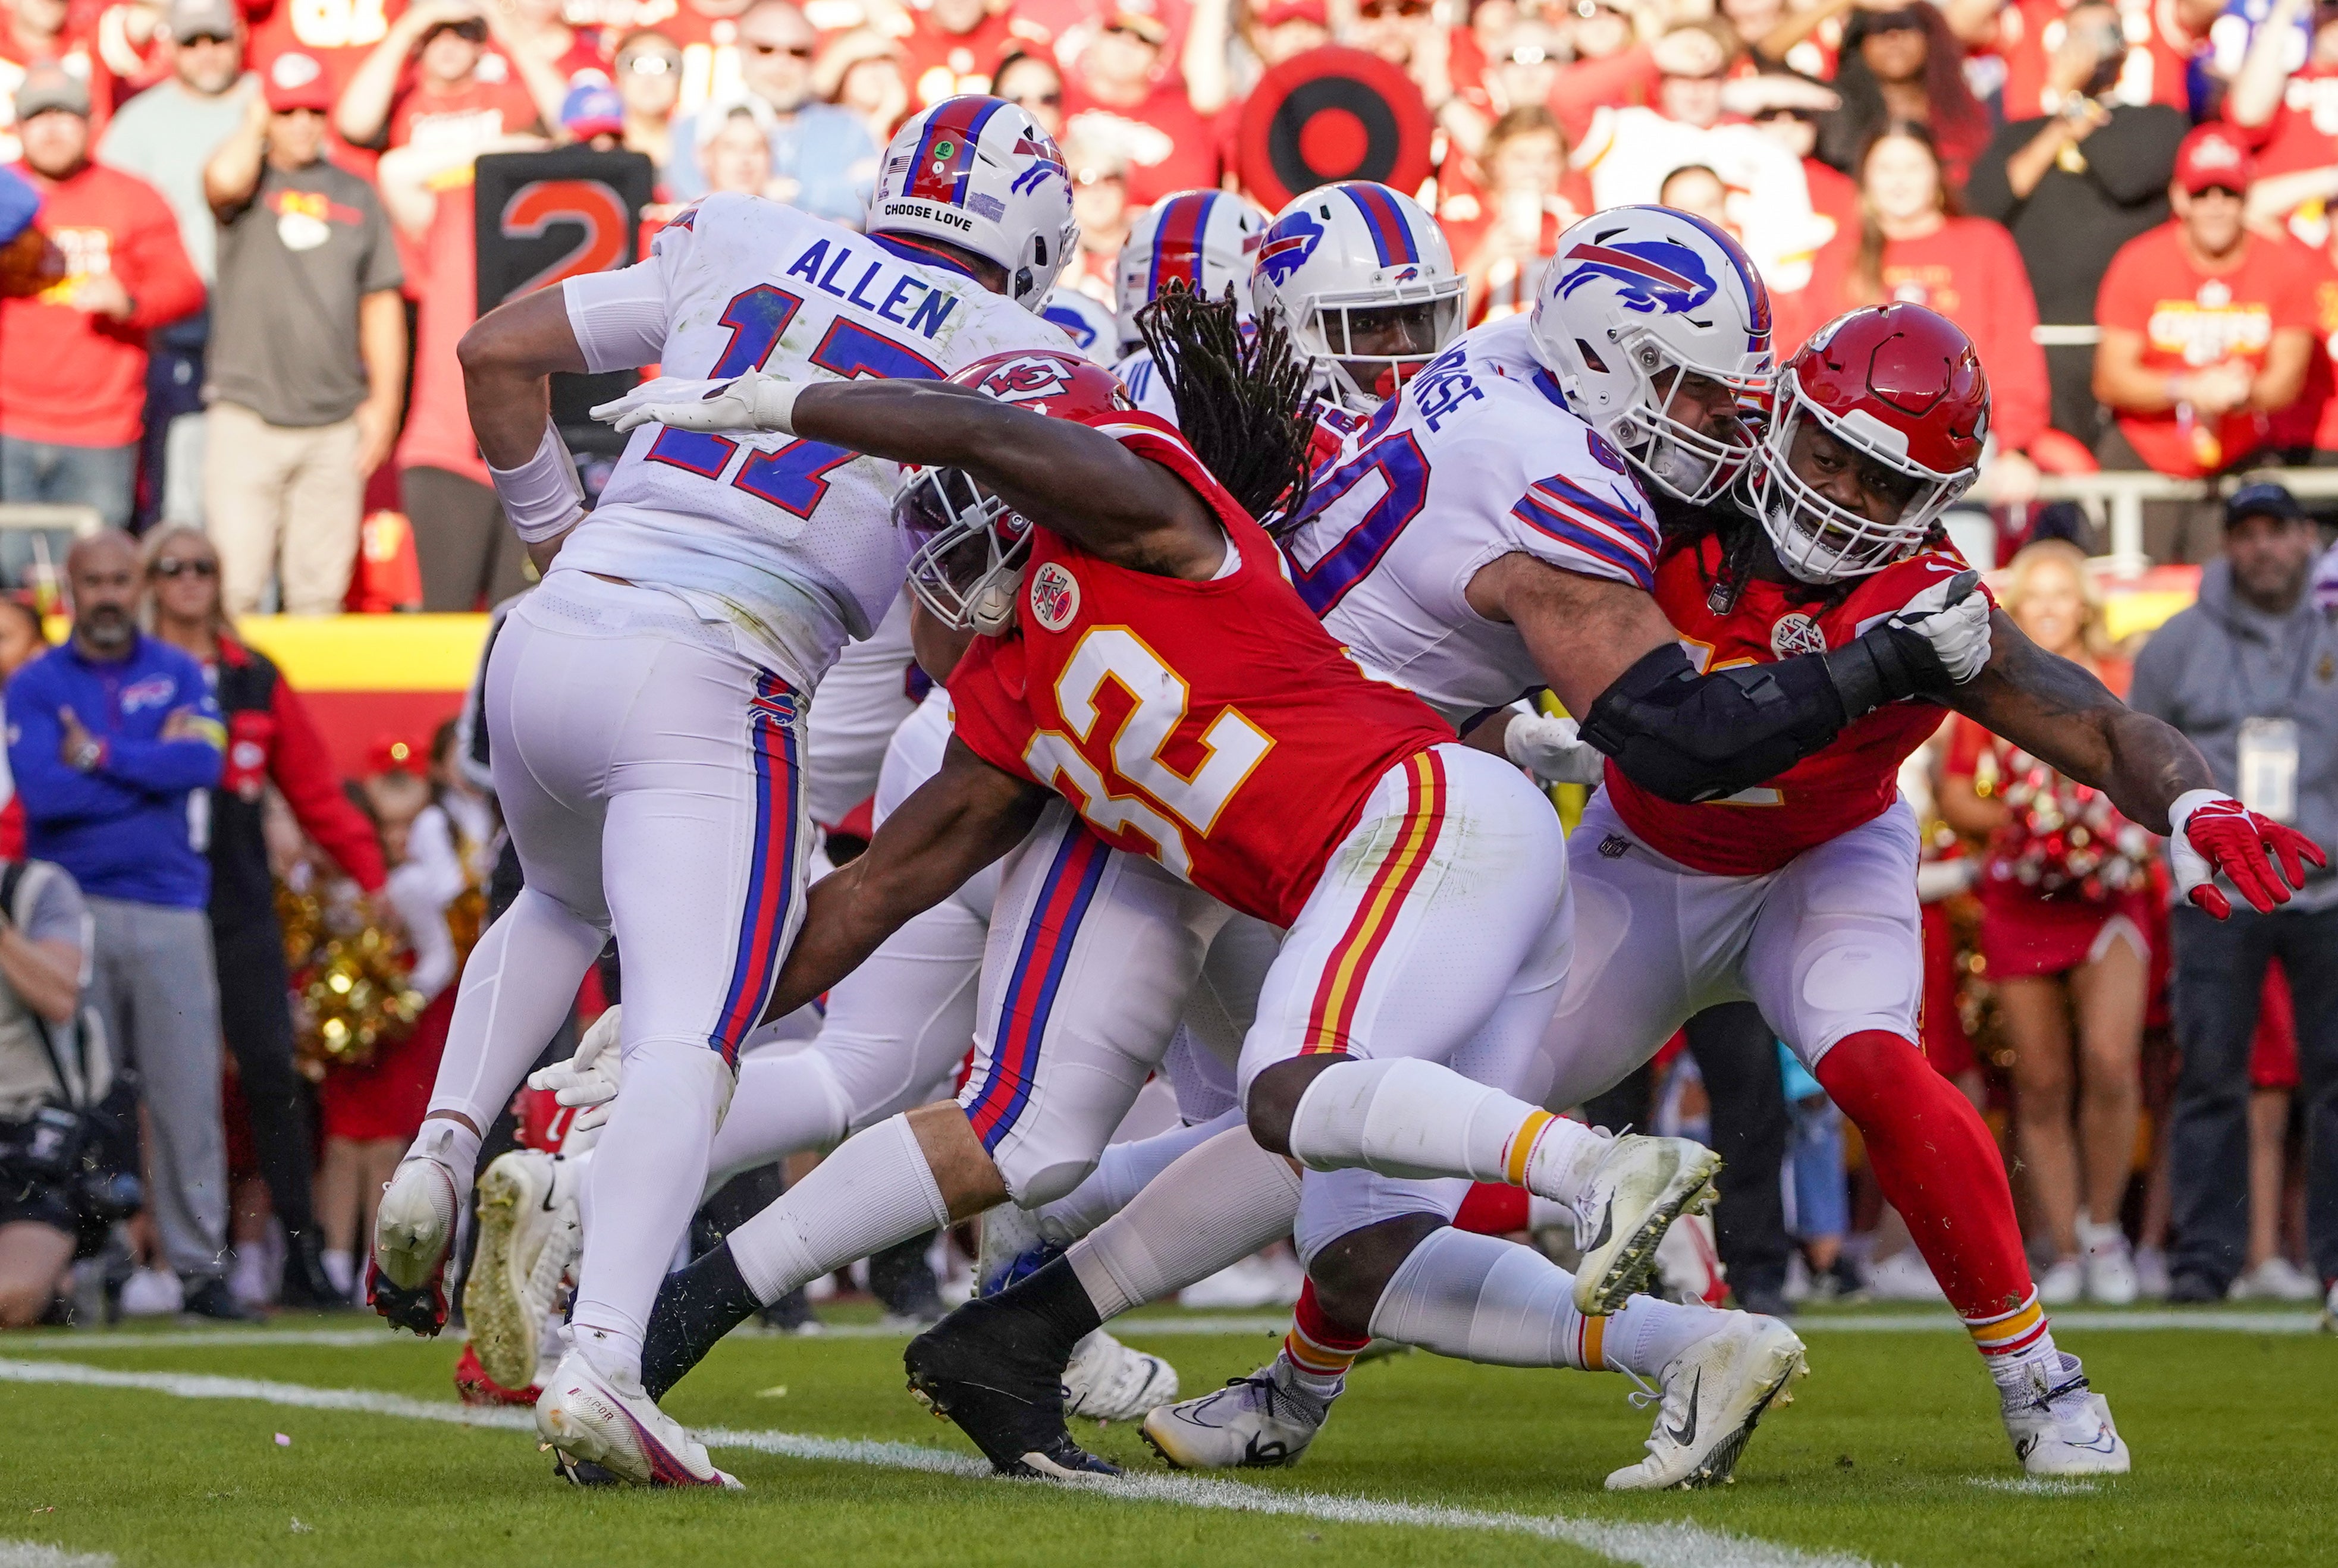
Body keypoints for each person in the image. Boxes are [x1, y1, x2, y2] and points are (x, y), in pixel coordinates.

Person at [590, 208, 1995, 1488]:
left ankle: (1579, 1188)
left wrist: (806, 402)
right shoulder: (1015, 692)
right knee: (1106, 1140)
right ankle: (781, 1320)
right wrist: (683, 1017)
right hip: (1281, 831)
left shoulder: (1162, 520)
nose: (965, 572)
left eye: (992, 527)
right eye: (955, 552)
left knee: (1312, 1127)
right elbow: (876, 887)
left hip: (1388, 816)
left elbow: (1018, 448)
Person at [364, 94, 1084, 1490]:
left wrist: (560, 544)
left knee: (559, 897)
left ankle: (441, 1149)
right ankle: (610, 1360)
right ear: (1039, 237)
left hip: (555, 626)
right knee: (697, 1028)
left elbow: (493, 351)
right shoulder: (1022, 351)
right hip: (719, 663)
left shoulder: (749, 238)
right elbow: (947, 625)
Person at [142, 524, 386, 1308]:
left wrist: (370, 876)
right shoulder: (128, 676)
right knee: (154, 1083)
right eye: (172, 568)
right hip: (150, 897)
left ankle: (302, 1255)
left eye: (202, 567)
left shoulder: (255, 677)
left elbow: (315, 791)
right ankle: (144, 1255)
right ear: (150, 582)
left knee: (272, 1074)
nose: (188, 580)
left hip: (240, 902)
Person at [4, 532, 241, 1318]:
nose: (107, 593)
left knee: (187, 1094)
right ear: (69, 590)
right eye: (92, 581)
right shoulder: (35, 682)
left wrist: (97, 752)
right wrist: (144, 762)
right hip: (73, 912)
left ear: (138, 586)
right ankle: (90, 1265)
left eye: (119, 579)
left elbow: (203, 766)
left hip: (172, 902)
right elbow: (44, 793)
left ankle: (201, 1269)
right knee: (83, 1098)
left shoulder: (179, 670)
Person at [2129, 480, 2338, 1311]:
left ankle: (2331, 1261)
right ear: (2225, 544)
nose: (2261, 547)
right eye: (2244, 532)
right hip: (2216, 897)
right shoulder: (2175, 643)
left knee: (2335, 1080)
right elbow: (2135, 761)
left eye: (2275, 531)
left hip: (2327, 891)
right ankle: (2201, 1262)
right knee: (2208, 1076)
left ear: (2303, 540)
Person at [1939, 540, 2149, 1306]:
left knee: (2109, 1061)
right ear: (2017, 610)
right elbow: (1958, 799)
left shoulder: (2121, 681)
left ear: (2085, 606)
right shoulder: (1985, 690)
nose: (2053, 609)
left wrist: (2093, 828)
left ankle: (2105, 1232)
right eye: (2038, 597)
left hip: (2106, 900)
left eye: (2066, 595)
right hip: (2021, 899)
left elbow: (2149, 776)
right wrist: (2032, 824)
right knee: (2041, 1079)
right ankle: (2060, 1248)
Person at [200, 72, 406, 616]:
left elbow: (381, 303)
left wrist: (384, 405)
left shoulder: (355, 193)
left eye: (313, 112)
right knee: (234, 591)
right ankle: (237, 702)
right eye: (287, 111)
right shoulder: (248, 185)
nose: (301, 124)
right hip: (248, 413)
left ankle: (303, 706)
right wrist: (252, 121)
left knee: (319, 597)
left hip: (333, 423)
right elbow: (221, 179)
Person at [1965, 0, 2185, 452]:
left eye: (2101, 35)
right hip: (2041, 346)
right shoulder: (2021, 132)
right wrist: (2061, 117)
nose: (2086, 50)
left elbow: (2126, 178)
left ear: (2124, 49)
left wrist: (2073, 103)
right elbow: (1988, 203)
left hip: (2127, 349)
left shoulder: (2156, 122)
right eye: (2074, 38)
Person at [2092, 124, 2318, 564]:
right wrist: (2187, 389)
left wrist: (2242, 392)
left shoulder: (2285, 267)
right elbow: (2109, 378)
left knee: (2235, 592)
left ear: (2247, 198)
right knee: (2132, 591)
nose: (2215, 207)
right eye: (2202, 194)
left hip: (2240, 455)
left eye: (2228, 193)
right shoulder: (2139, 261)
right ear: (2179, 198)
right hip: (2147, 451)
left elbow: (2287, 380)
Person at [1791, 123, 2050, 504]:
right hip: (1857, 451)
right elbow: (1812, 360)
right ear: (1865, 179)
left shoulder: (1984, 244)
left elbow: (2014, 352)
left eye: (1912, 168)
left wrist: (2016, 446)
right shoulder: (1838, 255)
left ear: (1938, 175)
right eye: (1886, 169)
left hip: (1958, 452)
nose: (1899, 182)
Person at [0, 68, 203, 530]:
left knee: (96, 580)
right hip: (8, 420)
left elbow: (186, 287)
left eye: (65, 116)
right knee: (9, 586)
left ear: (92, 124)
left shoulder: (132, 197)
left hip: (100, 427)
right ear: (18, 127)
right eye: (39, 117)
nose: (52, 130)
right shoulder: (5, 193)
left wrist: (132, 302)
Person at [96, 0, 258, 529]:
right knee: (180, 506)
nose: (206, 53)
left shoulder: (273, 104)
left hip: (266, 344)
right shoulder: (139, 122)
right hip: (175, 339)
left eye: (217, 38)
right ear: (170, 46)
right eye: (192, 42)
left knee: (252, 509)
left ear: (239, 36)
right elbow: (109, 226)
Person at [661, 0, 877, 216]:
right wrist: (828, 197)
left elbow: (861, 207)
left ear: (814, 58)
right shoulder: (697, 126)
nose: (781, 63)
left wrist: (791, 191)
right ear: (741, 52)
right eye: (765, 49)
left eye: (797, 52)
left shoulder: (848, 128)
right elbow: (702, 211)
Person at [0, 847, 93, 1328]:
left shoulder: (35, 889)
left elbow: (60, 996)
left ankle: (69, 1271)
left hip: (24, 1130)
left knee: (11, 1298)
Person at [1815, 4, 1987, 192]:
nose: (1894, 38)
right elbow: (1775, 56)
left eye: (1906, 26)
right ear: (1859, 43)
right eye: (1880, 29)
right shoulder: (1835, 111)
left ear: (1930, 38)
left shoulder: (1965, 113)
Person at [1060, 9, 1220, 206]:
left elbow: (1194, 206)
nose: (1127, 44)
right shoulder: (1052, 99)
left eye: (1143, 38)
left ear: (1161, 56)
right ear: (1093, 37)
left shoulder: (1181, 115)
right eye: (1116, 30)